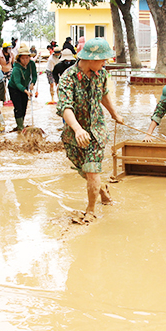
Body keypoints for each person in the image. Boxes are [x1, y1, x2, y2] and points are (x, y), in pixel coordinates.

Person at [57, 37, 123, 224]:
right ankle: (102, 189)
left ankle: (91, 210)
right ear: (92, 58)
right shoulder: (68, 78)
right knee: (85, 170)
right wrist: (77, 129)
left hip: (97, 131)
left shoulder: (101, 74)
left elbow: (103, 94)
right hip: (74, 135)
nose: (105, 64)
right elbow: (65, 107)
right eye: (103, 60)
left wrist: (114, 114)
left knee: (92, 169)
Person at [8, 44, 37, 131]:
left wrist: (32, 83)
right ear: (19, 58)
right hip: (14, 88)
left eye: (27, 58)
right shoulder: (16, 68)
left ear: (29, 57)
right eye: (23, 58)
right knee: (18, 107)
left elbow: (34, 75)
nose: (25, 60)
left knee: (24, 106)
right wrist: (26, 91)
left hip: (25, 87)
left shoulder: (31, 64)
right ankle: (20, 127)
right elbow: (17, 83)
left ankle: (21, 124)